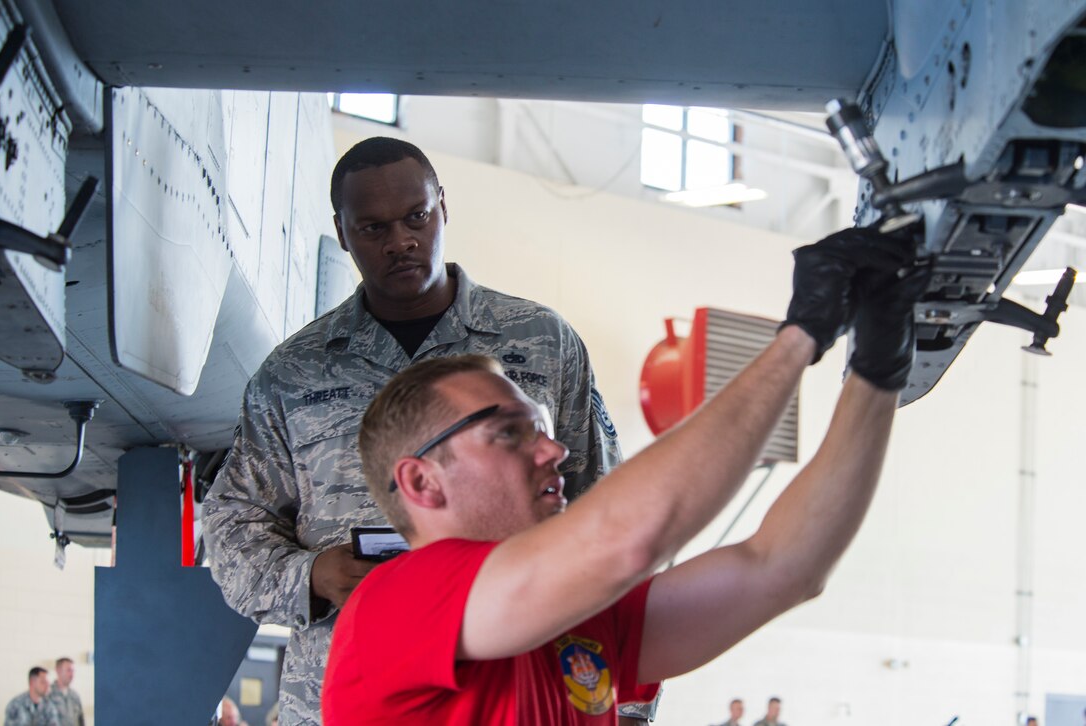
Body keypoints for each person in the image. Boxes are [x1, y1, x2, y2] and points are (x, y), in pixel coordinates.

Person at [321, 227, 930, 723]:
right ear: (422, 483)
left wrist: (879, 366)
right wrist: (801, 337)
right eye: (508, 433)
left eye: (541, 426)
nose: (554, 450)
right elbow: (625, 540)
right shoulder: (390, 604)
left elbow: (782, 568)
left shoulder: (578, 618)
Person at [202, 137, 622, 725]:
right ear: (342, 232)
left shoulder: (541, 343)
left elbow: (605, 510)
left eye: (416, 217)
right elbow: (230, 528)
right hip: (340, 692)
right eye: (372, 228)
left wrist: (623, 703)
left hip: (513, 686)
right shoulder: (292, 374)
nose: (401, 241)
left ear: (442, 206)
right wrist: (313, 575)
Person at [44, 658, 83, 726]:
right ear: (58, 671)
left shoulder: (75, 696)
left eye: (73, 671)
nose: (72, 674)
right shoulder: (47, 694)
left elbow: (81, 721)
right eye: (68, 670)